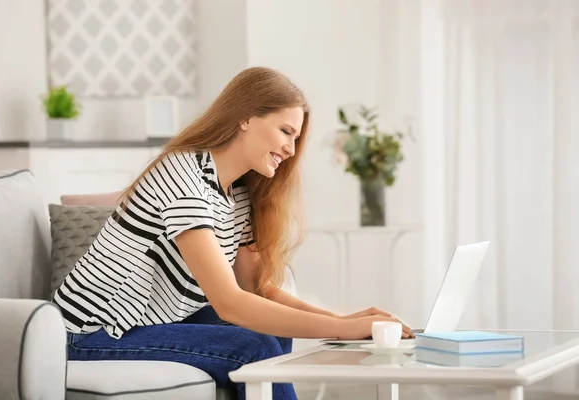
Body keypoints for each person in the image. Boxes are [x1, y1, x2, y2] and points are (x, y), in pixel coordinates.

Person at [52, 66, 413, 400]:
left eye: (295, 137)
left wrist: (344, 319)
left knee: (271, 332)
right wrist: (342, 331)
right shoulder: (183, 176)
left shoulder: (237, 193)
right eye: (285, 131)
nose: (290, 149)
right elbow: (229, 303)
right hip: (87, 332)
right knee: (252, 346)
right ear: (245, 117)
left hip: (147, 323)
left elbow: (257, 290)